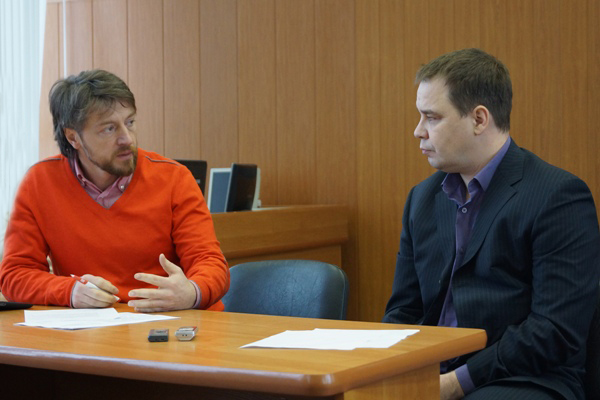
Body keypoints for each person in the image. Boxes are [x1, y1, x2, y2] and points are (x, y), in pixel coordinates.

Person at [382, 48, 600, 400]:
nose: (417, 131)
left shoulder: (558, 196)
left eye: (431, 117)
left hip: (525, 380)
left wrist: (455, 383)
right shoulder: (421, 199)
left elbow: (553, 331)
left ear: (479, 119)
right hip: (432, 373)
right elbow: (403, 312)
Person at [0, 70, 229, 313]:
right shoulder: (39, 183)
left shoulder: (175, 178)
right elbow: (15, 275)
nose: (127, 139)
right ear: (73, 137)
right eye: (109, 129)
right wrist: (70, 291)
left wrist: (191, 292)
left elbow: (211, 263)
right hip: (93, 329)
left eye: (130, 122)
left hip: (175, 323)